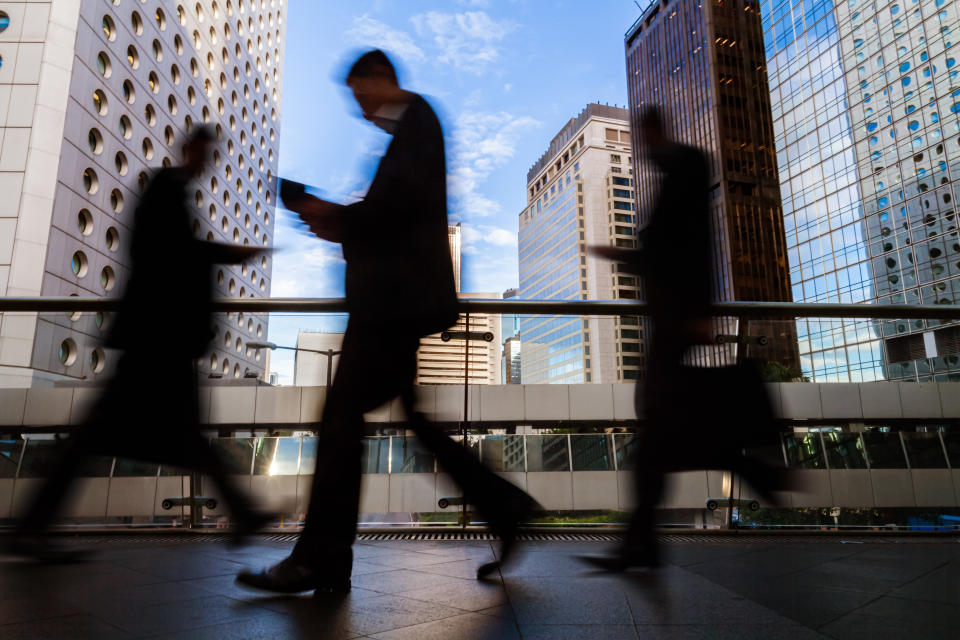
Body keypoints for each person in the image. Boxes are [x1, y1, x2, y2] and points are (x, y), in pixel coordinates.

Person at [237, 49, 537, 594]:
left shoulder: (417, 123)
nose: (358, 107)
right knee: (408, 422)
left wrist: (333, 216)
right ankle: (505, 507)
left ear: (381, 78)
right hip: (393, 306)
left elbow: (397, 212)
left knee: (340, 422)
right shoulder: (412, 130)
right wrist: (337, 220)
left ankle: (320, 558)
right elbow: (393, 214)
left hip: (390, 308)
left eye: (359, 92)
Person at [10, 127, 270, 561]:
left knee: (141, 435)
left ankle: (33, 527)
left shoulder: (170, 192)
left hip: (158, 339)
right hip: (157, 339)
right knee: (150, 436)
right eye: (205, 153)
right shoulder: (165, 190)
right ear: (188, 150)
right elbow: (169, 255)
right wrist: (225, 254)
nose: (208, 162)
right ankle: (245, 513)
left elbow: (173, 253)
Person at [581, 107, 789, 571]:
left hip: (679, 317)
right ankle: (646, 539)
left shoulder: (687, 167)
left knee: (654, 421)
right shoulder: (677, 171)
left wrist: (696, 307)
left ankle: (737, 468)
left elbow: (688, 245)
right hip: (673, 316)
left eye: (643, 136)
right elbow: (668, 248)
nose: (642, 146)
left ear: (653, 132)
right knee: (655, 423)